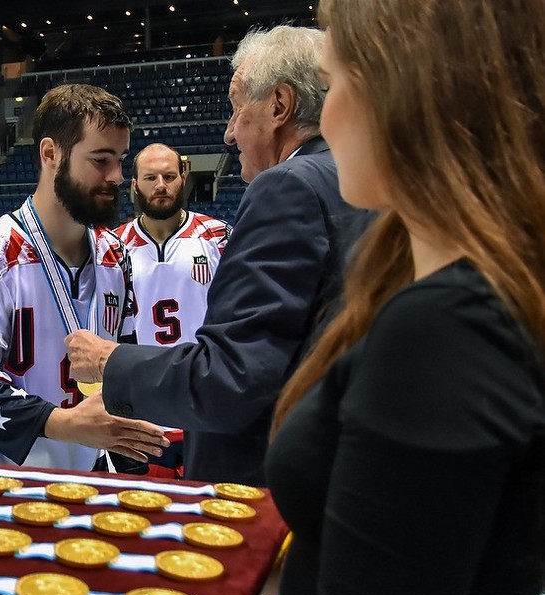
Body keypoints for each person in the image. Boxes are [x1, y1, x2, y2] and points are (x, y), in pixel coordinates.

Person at [228, 0, 545, 595]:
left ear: (404, 95)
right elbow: (383, 575)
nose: (328, 114)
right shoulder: (435, 291)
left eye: (337, 82)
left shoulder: (448, 329)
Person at [66, 25, 370, 486]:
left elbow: (233, 377)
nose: (229, 133)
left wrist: (111, 361)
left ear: (279, 105)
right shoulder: (360, 176)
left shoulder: (285, 189)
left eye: (236, 108)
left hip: (267, 474)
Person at [0, 83, 168, 478]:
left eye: (121, 159)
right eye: (100, 159)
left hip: (82, 480)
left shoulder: (115, 256)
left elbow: (122, 361)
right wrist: (65, 424)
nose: (116, 176)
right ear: (50, 153)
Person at [116, 142, 230, 476]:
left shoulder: (219, 238)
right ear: (134, 184)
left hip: (206, 402)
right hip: (141, 408)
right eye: (150, 177)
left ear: (184, 176)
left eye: (168, 176)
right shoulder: (112, 247)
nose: (160, 185)